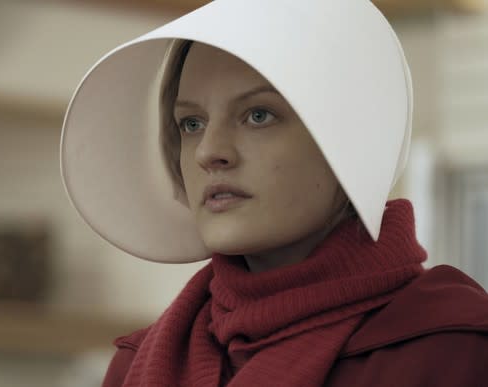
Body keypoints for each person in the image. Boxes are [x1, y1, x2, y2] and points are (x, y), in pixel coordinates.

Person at [60, 0, 488, 386]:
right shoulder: (136, 366)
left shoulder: (451, 348)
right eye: (191, 124)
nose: (210, 152)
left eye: (258, 115)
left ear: (353, 139)